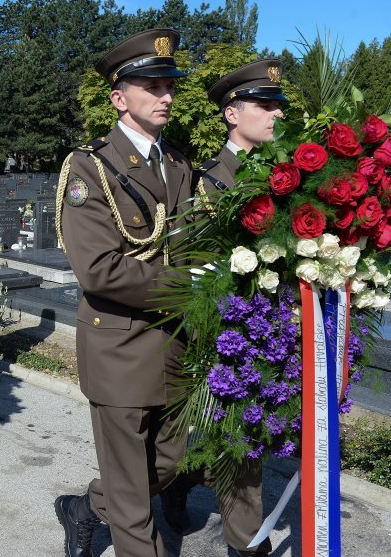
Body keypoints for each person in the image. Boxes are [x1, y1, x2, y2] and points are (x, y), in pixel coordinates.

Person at [53, 29, 193, 557]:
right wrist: (186, 288)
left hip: (173, 348)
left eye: (169, 86)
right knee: (136, 510)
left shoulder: (177, 164)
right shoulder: (90, 167)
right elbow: (98, 269)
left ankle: (84, 507)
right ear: (119, 98)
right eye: (152, 86)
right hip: (119, 347)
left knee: (167, 463)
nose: (166, 96)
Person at [159, 59, 288, 557]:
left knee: (248, 439)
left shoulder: (285, 175)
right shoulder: (211, 182)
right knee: (243, 444)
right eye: (264, 105)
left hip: (278, 330)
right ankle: (247, 545)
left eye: (278, 105)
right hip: (231, 336)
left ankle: (180, 479)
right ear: (232, 114)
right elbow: (201, 271)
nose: (275, 115)